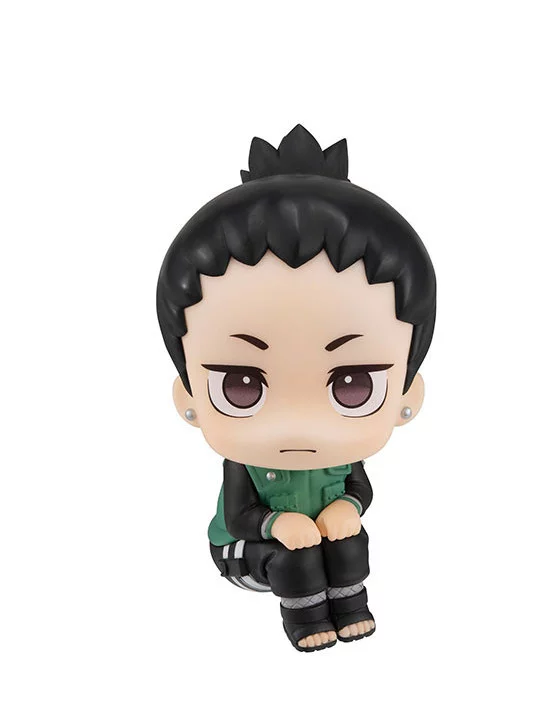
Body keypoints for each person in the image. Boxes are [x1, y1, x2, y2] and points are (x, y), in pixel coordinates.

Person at [157, 125, 436, 651]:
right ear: (188, 398)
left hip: (320, 542)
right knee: (294, 557)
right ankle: (306, 621)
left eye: (353, 385)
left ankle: (351, 607)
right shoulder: (243, 463)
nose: (298, 425)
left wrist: (348, 507)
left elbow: (360, 490)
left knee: (350, 539)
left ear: (407, 396)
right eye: (241, 385)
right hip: (247, 552)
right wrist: (275, 523)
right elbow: (238, 514)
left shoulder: (344, 456)